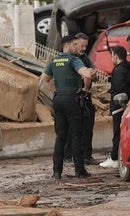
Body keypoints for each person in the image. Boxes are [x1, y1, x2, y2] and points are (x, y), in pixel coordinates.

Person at [40, 35, 93, 179]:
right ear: (67, 46)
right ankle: (79, 170)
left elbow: (44, 80)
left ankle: (57, 172)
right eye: (75, 45)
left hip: (58, 100)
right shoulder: (73, 60)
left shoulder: (54, 61)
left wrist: (55, 89)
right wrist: (85, 90)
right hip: (72, 100)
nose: (77, 48)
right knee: (76, 135)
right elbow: (87, 74)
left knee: (60, 137)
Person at [63, 32, 100, 165]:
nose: (84, 48)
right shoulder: (68, 58)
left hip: (85, 96)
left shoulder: (85, 58)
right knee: (71, 127)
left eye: (86, 46)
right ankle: (68, 156)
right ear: (74, 43)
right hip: (73, 96)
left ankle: (86, 155)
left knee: (87, 126)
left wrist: (93, 75)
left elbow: (92, 75)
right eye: (81, 45)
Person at [99, 45, 130, 168]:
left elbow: (119, 89)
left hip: (119, 106)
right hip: (127, 105)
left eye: (112, 56)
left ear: (116, 56)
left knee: (117, 132)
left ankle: (115, 157)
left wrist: (117, 105)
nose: (111, 58)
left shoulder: (119, 70)